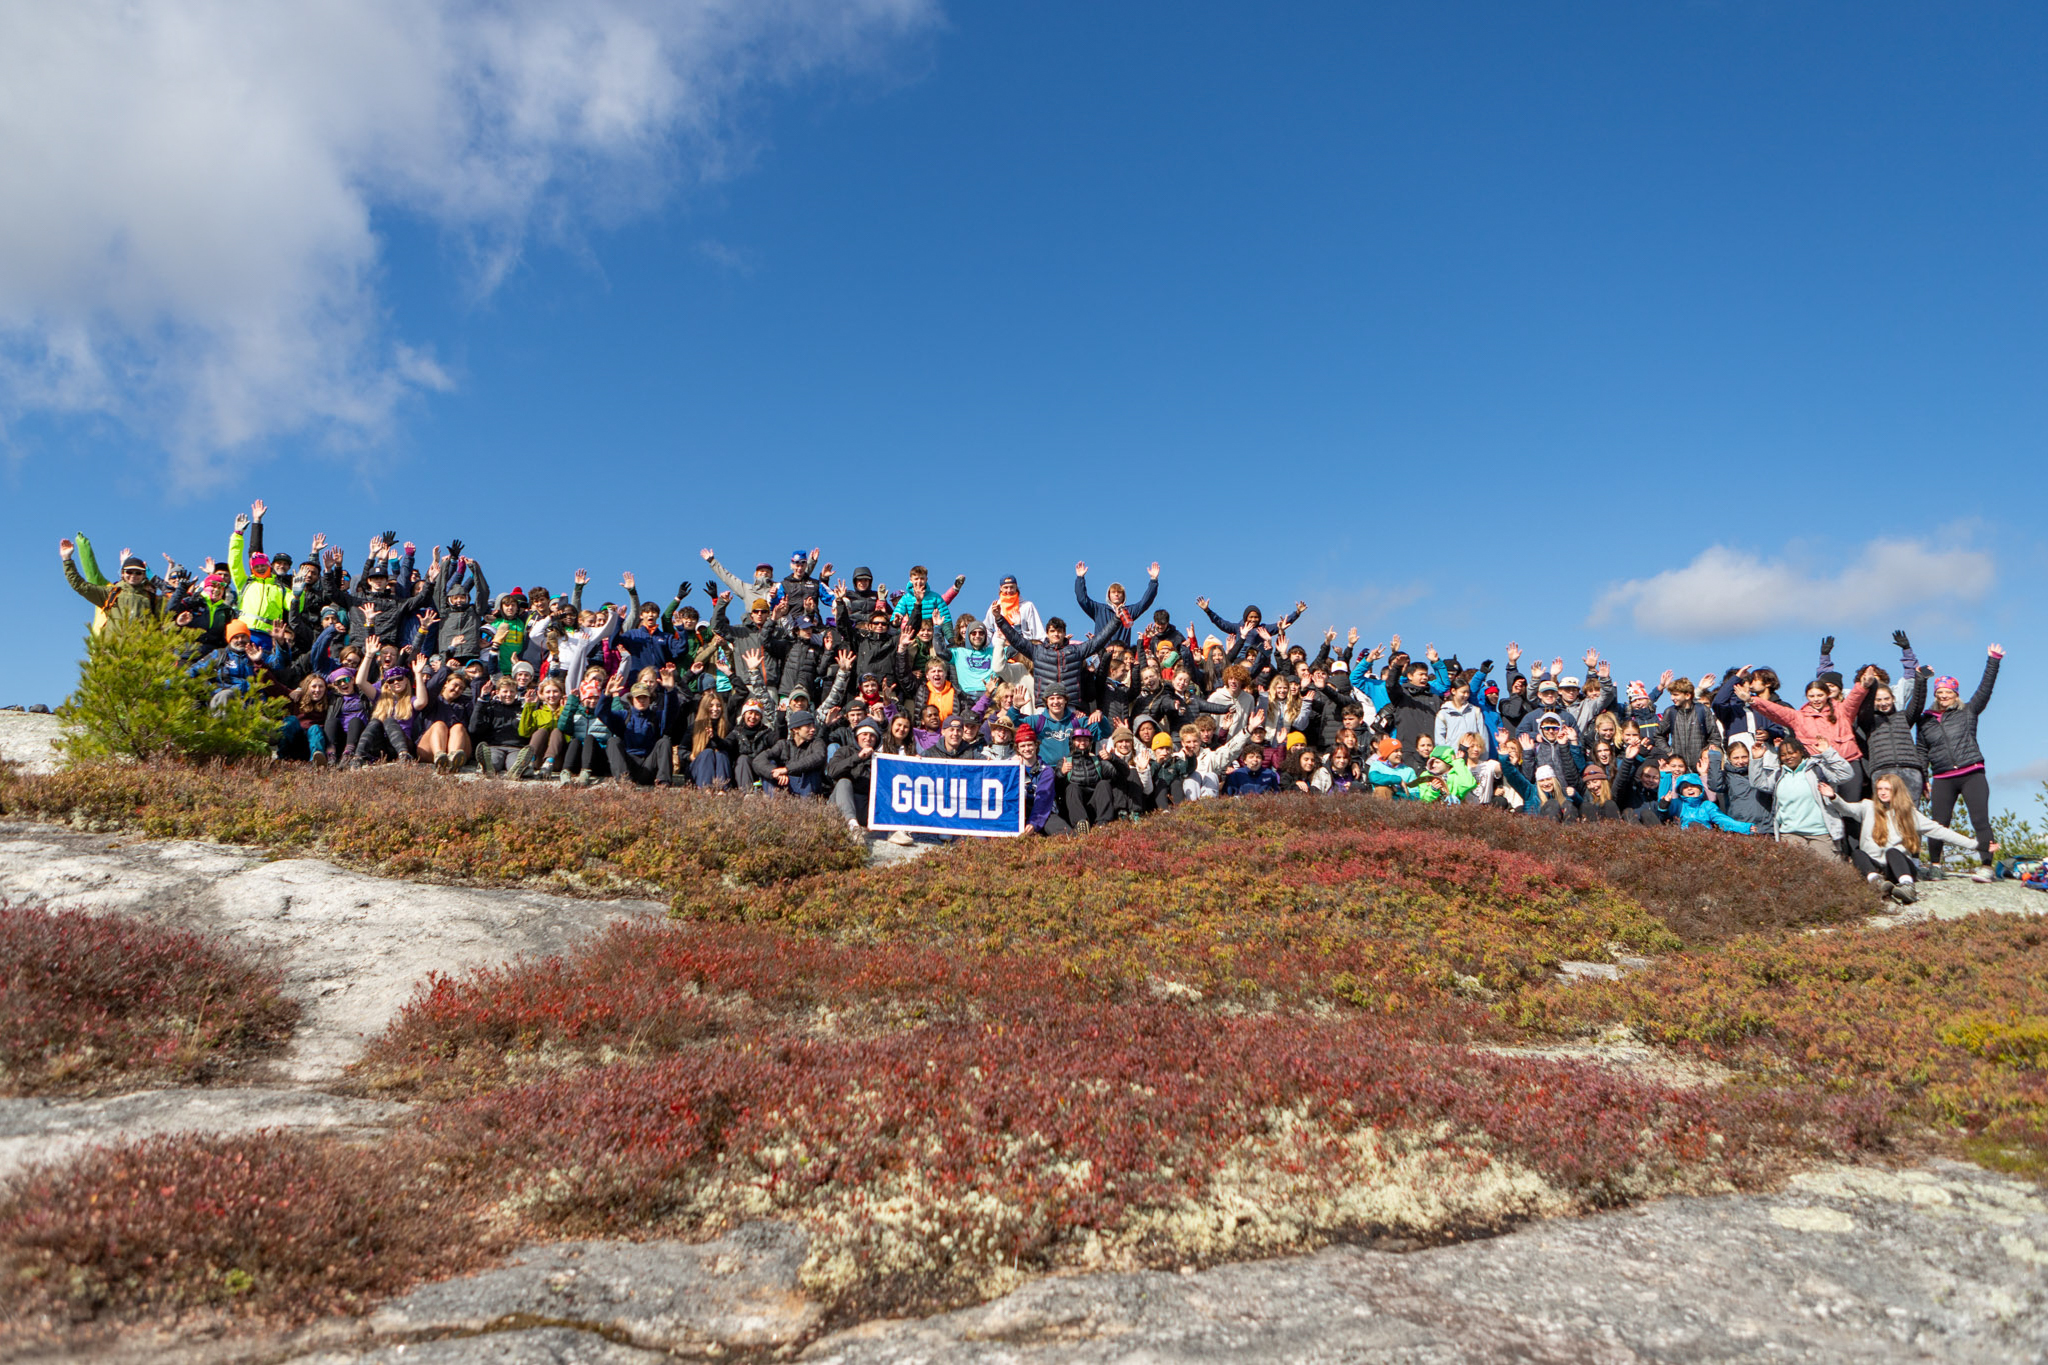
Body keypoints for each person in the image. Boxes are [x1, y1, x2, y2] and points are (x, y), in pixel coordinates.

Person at [1913, 644, 2003, 875]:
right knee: (1938, 824)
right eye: (1939, 693)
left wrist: (1993, 661)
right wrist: (1923, 778)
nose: (1943, 696)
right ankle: (1934, 866)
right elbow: (1921, 751)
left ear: (1956, 694)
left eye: (1948, 692)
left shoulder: (1968, 711)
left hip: (1971, 772)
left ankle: (1986, 866)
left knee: (1980, 819)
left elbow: (1985, 689)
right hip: (1943, 777)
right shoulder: (1925, 721)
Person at [1823, 772, 1974, 904]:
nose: (1882, 792)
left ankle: (1907, 887)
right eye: (1880, 789)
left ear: (1896, 791)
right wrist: (1834, 797)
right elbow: (1847, 809)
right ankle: (1876, 882)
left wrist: (1975, 845)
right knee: (1857, 853)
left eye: (1887, 789)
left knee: (1893, 852)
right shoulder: (1867, 807)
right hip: (1878, 867)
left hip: (1899, 867)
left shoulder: (1909, 813)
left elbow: (1940, 832)